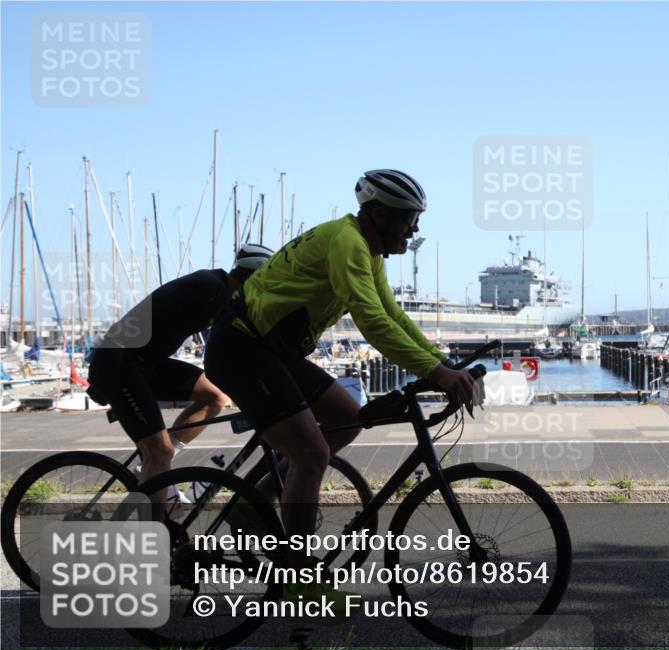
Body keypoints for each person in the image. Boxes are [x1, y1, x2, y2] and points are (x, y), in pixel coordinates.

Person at [204, 169, 479, 576]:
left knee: (348, 418)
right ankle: (300, 578)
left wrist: (442, 364)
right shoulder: (347, 243)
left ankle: (255, 501)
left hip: (273, 350)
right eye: (408, 217)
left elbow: (393, 315)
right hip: (243, 346)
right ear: (379, 214)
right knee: (311, 453)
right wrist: (438, 374)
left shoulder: (366, 250)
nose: (415, 227)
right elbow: (374, 325)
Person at [86, 244, 274, 503]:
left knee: (214, 397)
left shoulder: (218, 286)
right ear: (251, 276)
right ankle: (153, 532)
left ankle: (158, 468)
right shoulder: (213, 291)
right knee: (158, 454)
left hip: (142, 363)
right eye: (262, 282)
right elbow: (229, 351)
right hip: (119, 363)